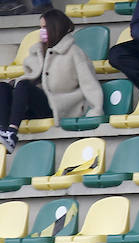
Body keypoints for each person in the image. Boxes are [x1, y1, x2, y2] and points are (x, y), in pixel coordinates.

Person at [0, 9, 100, 153]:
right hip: (35, 105)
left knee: (23, 85)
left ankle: (11, 132)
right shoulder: (38, 51)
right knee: (3, 87)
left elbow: (89, 84)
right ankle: (3, 130)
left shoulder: (74, 53)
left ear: (55, 28)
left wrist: (96, 109)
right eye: (40, 28)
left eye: (44, 27)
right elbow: (31, 76)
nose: (41, 31)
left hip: (58, 108)